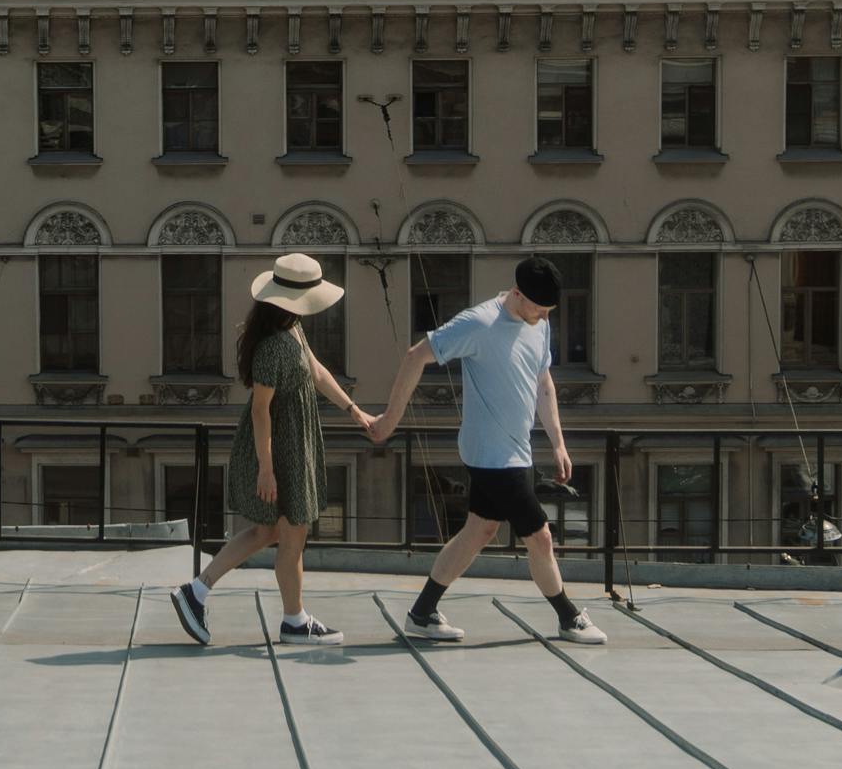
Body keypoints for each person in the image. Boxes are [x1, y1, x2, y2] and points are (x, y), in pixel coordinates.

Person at [363, 255, 604, 644]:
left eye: (549, 312)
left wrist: (558, 443)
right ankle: (568, 617)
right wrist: (391, 420)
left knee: (479, 530)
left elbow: (543, 383)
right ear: (517, 294)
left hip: (516, 451)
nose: (543, 318)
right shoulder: (479, 322)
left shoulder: (537, 324)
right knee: (540, 536)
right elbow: (416, 355)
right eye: (539, 309)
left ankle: (422, 613)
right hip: (490, 456)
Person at [170, 253, 370, 647]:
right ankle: (293, 621)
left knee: (270, 530)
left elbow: (315, 370)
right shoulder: (274, 346)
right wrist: (267, 468)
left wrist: (352, 409)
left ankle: (197, 591)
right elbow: (261, 410)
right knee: (291, 533)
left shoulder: (290, 329)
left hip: (290, 444)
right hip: (280, 449)